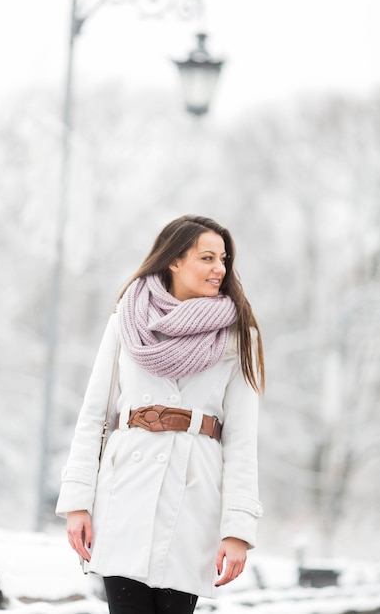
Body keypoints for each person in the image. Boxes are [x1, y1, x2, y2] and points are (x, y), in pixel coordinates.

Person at [56, 214, 265, 614]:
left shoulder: (239, 337)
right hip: (124, 494)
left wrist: (238, 530)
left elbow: (242, 441)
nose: (220, 268)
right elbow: (93, 415)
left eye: (223, 259)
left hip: (192, 497)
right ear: (173, 260)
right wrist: (78, 502)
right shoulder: (126, 321)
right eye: (207, 258)